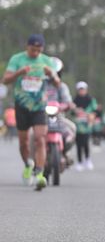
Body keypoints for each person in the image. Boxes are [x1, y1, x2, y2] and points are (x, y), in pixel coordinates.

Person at [2, 34, 61, 191]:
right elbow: (5, 80)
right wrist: (19, 73)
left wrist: (51, 74)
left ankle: (40, 173)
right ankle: (28, 164)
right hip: (22, 106)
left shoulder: (46, 61)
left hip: (39, 107)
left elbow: (57, 84)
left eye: (38, 50)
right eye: (32, 50)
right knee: (23, 142)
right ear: (27, 47)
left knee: (40, 138)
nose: (35, 53)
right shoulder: (17, 59)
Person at [72, 81, 98, 171]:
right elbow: (71, 111)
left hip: (87, 125)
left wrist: (90, 115)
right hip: (78, 125)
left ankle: (87, 159)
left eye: (83, 89)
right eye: (80, 90)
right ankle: (79, 162)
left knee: (86, 142)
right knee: (79, 144)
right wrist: (76, 111)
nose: (81, 91)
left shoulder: (90, 100)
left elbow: (95, 111)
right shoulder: (75, 100)